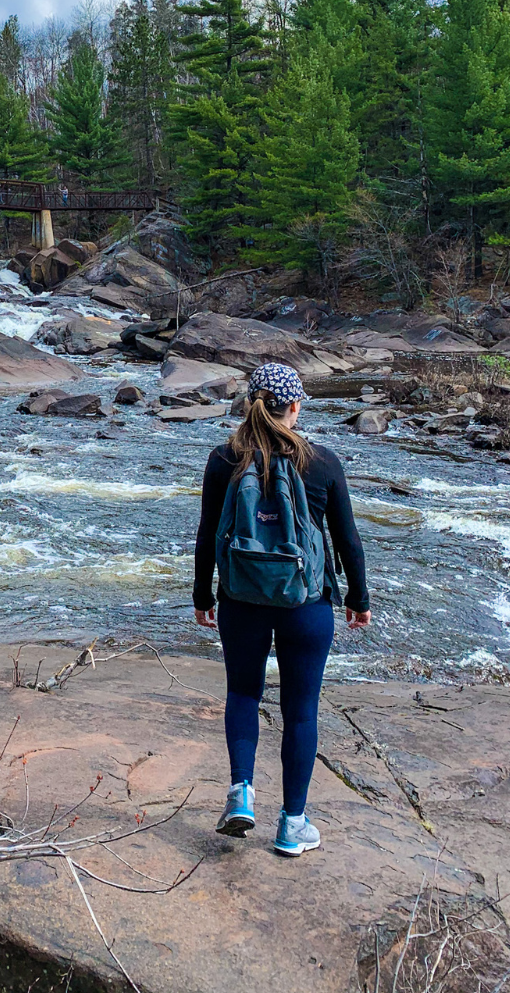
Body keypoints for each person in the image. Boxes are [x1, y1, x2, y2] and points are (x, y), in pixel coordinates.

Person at [193, 362, 371, 857]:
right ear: (294, 406)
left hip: (241, 601)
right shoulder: (322, 462)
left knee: (243, 693)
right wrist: (359, 599)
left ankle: (241, 793)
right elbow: (348, 541)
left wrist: (202, 597)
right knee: (300, 711)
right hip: (306, 604)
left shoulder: (223, 460)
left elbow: (207, 537)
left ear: (250, 403)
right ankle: (293, 825)